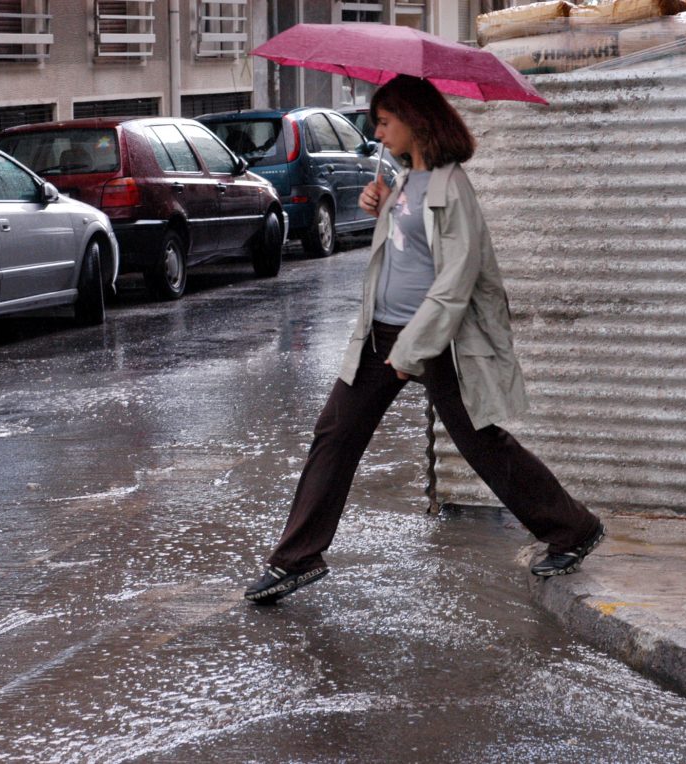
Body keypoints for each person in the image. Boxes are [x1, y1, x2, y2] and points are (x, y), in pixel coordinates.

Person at [244, 75, 605, 606]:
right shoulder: (406, 177)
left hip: (433, 338)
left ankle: (573, 529)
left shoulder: (450, 185)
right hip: (380, 331)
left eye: (386, 122)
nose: (379, 132)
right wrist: (382, 205)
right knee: (336, 433)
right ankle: (296, 559)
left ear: (416, 120)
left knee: (481, 440)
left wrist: (410, 353)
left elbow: (454, 277)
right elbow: (407, 250)